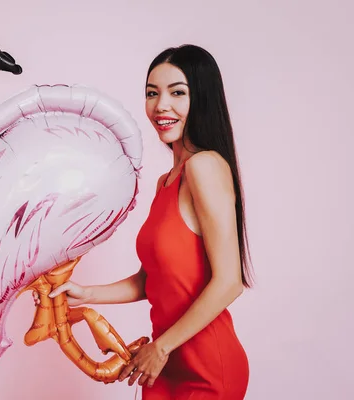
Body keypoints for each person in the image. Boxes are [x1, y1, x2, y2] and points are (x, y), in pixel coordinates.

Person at [47, 45, 253, 399]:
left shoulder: (205, 167)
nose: (161, 106)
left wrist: (160, 348)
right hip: (162, 365)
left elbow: (229, 282)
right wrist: (87, 293)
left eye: (177, 93)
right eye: (152, 93)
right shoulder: (166, 182)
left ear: (202, 98)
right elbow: (152, 279)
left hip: (203, 367)